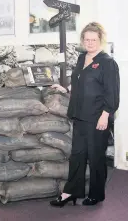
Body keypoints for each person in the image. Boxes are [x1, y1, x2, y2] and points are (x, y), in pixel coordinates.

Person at [49, 22, 120, 207]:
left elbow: (112, 93)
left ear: (100, 40)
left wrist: (105, 115)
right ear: (82, 40)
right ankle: (71, 192)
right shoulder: (82, 58)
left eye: (93, 40)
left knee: (96, 157)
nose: (89, 43)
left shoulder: (108, 63)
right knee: (77, 155)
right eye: (86, 39)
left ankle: (96, 194)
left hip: (97, 118)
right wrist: (65, 89)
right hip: (79, 116)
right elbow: (79, 82)